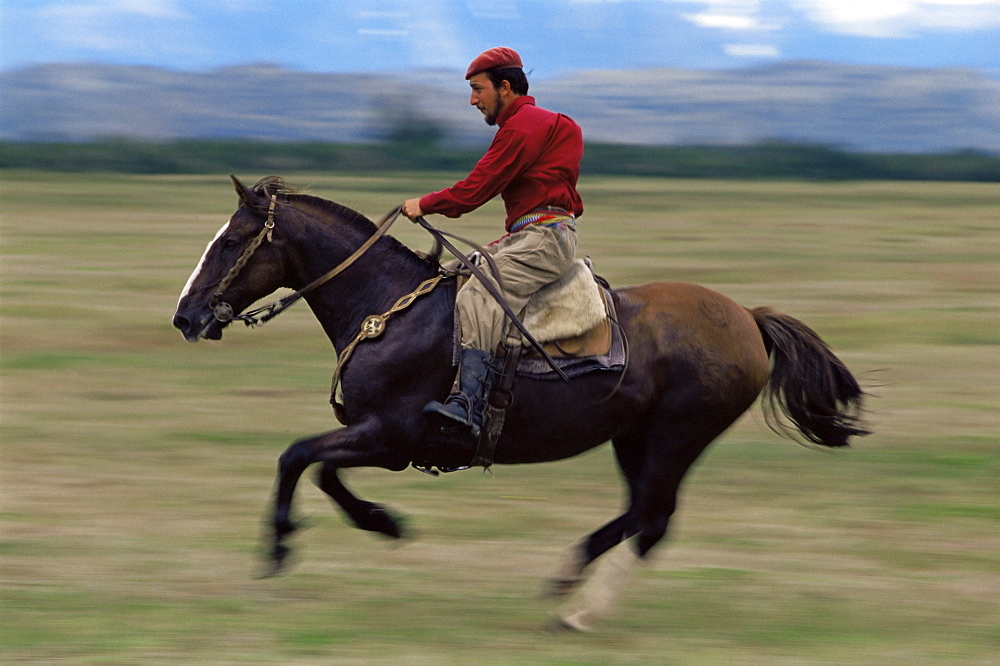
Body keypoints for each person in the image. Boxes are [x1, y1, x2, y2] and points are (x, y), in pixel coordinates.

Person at [402, 46, 585, 443]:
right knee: (452, 277)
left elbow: (473, 192)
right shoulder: (556, 123)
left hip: (543, 239)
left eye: (477, 89)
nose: (472, 100)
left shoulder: (521, 128)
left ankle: (468, 405)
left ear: (505, 87)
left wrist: (424, 204)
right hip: (533, 233)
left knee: (477, 296)